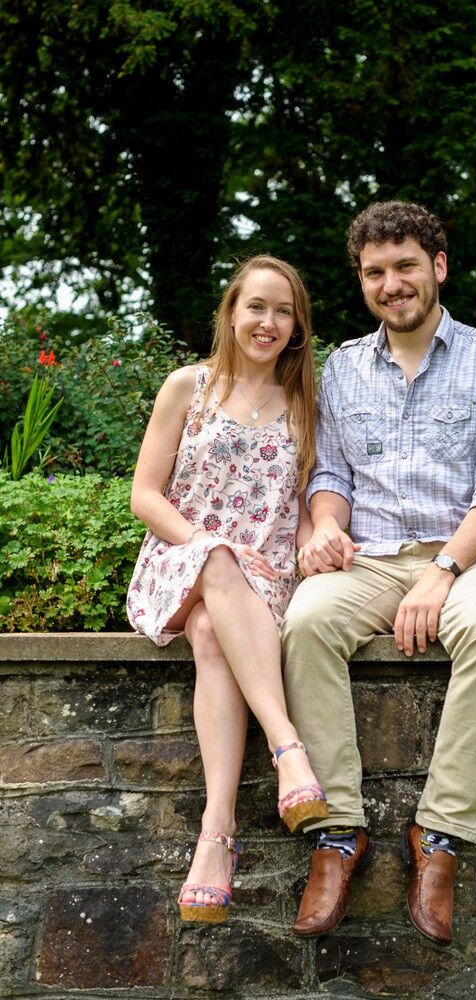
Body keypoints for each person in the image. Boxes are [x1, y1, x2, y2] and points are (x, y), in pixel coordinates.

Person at [282, 201, 476, 945]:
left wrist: (444, 571)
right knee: (304, 621)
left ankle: (441, 837)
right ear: (361, 280)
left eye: (405, 267)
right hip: (370, 558)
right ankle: (337, 832)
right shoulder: (343, 367)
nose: (391, 284)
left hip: (471, 558)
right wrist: (325, 523)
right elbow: (329, 472)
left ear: (437, 268)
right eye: (374, 272)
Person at [127, 255, 329, 925]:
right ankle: (287, 749)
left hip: (263, 578)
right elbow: (144, 495)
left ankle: (216, 839)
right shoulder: (189, 386)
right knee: (217, 560)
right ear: (230, 313)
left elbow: (305, 502)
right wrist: (208, 544)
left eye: (282, 311)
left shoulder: (304, 402)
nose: (267, 322)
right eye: (256, 307)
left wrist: (312, 536)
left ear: (296, 326)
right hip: (181, 556)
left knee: (214, 630)